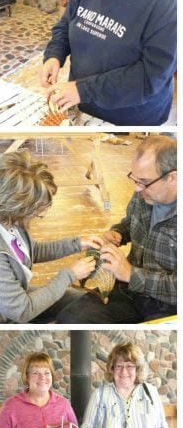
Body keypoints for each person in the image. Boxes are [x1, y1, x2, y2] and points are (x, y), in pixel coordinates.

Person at [40, 0, 177, 126]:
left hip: (131, 117)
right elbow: (65, 26)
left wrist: (83, 90)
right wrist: (54, 55)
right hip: (84, 104)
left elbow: (152, 75)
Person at [57, 135, 176, 323]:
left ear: (172, 177)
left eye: (143, 182)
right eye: (135, 180)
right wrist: (119, 232)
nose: (137, 189)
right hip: (130, 289)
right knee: (69, 318)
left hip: (167, 305)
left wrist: (130, 273)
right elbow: (130, 222)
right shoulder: (145, 192)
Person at [0, 150, 102, 323]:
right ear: (18, 207)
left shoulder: (9, 222)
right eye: (37, 211)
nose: (38, 215)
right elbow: (22, 310)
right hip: (2, 318)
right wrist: (70, 275)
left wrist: (77, 243)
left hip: (17, 301)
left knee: (81, 301)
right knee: (77, 305)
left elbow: (33, 251)